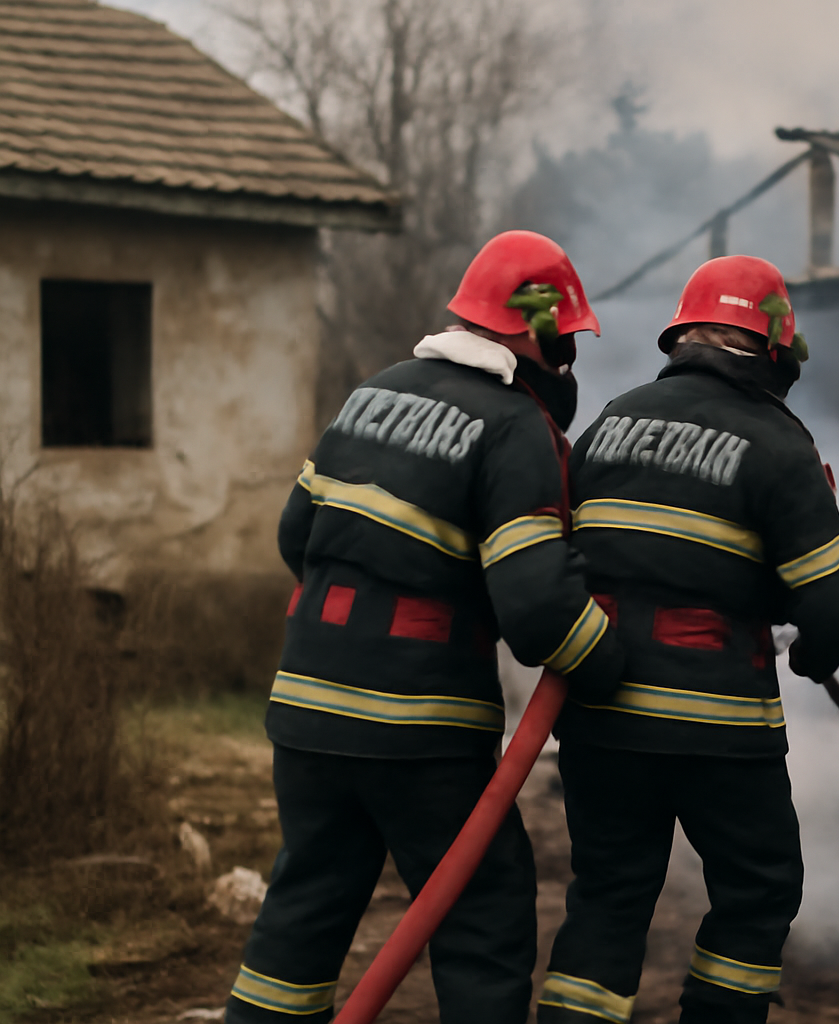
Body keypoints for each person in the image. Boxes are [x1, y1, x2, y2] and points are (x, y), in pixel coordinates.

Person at [225, 231, 623, 1024]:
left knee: (308, 901)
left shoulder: (371, 394)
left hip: (305, 710)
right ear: (537, 331)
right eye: (567, 341)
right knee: (483, 908)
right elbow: (539, 610)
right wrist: (608, 656)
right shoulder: (516, 428)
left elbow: (293, 539)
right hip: (418, 727)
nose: (569, 361)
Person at [537, 256, 839, 1024]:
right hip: (718, 728)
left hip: (600, 717)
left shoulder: (610, 421)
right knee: (756, 894)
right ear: (776, 345)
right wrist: (814, 657)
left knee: (609, 896)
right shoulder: (778, 444)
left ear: (683, 335)